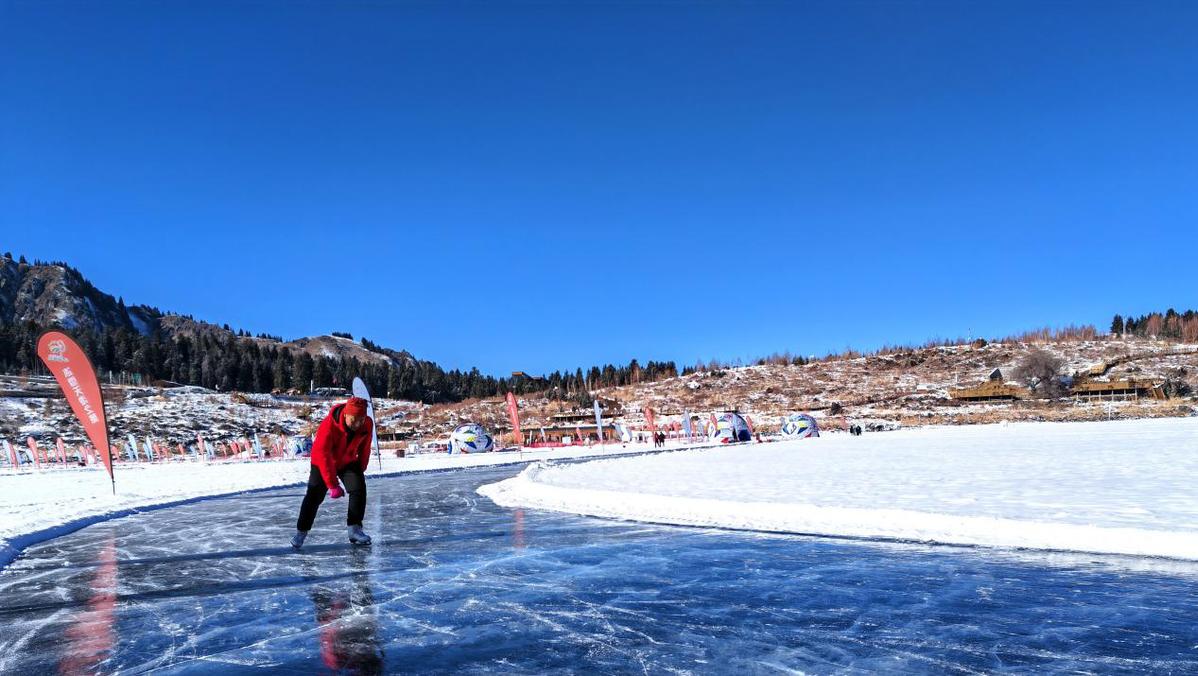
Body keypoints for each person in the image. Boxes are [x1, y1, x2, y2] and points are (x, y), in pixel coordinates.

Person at [291, 397, 374, 548]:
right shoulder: (329, 425)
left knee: (358, 489)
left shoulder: (367, 423)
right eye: (354, 420)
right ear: (345, 415)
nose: (358, 424)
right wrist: (332, 485)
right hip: (322, 461)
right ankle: (301, 532)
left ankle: (354, 529)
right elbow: (324, 456)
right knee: (315, 495)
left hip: (347, 460)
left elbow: (365, 447)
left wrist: (360, 469)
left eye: (361, 419)